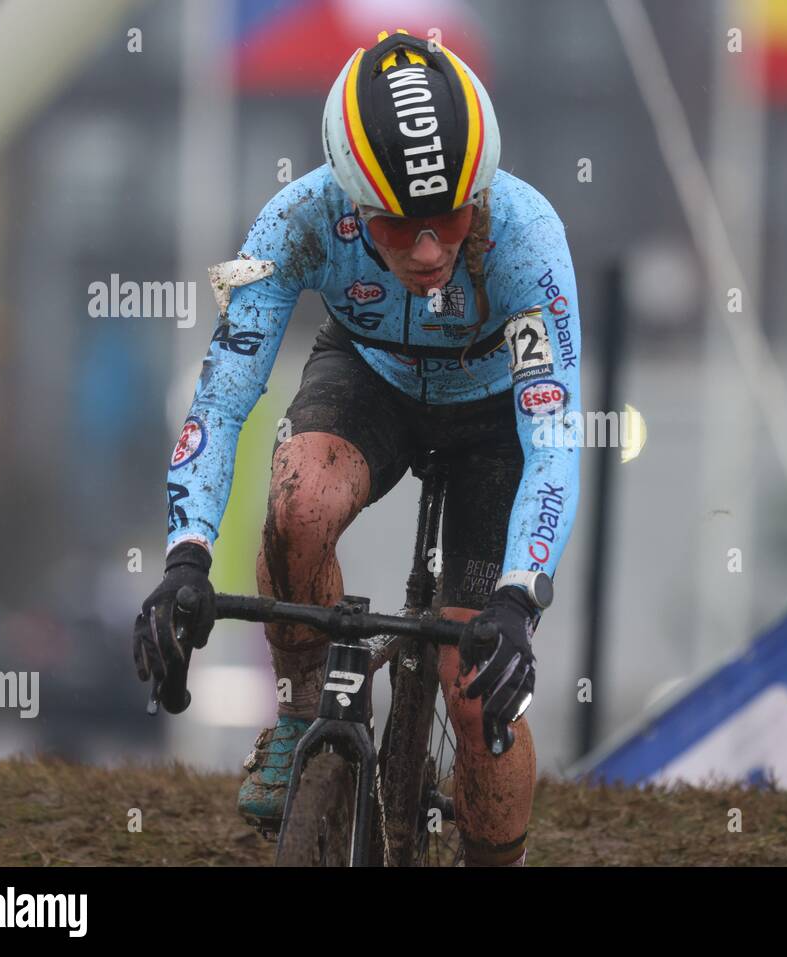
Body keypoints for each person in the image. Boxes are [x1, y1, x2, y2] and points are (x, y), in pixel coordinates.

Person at [132, 30, 581, 867]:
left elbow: (552, 431)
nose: (427, 250)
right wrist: (185, 558)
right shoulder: (298, 219)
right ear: (350, 200)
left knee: (477, 692)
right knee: (298, 500)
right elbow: (223, 399)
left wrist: (518, 600)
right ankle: (305, 706)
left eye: (450, 217)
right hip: (372, 376)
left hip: (491, 419)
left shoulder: (526, 238)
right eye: (398, 225)